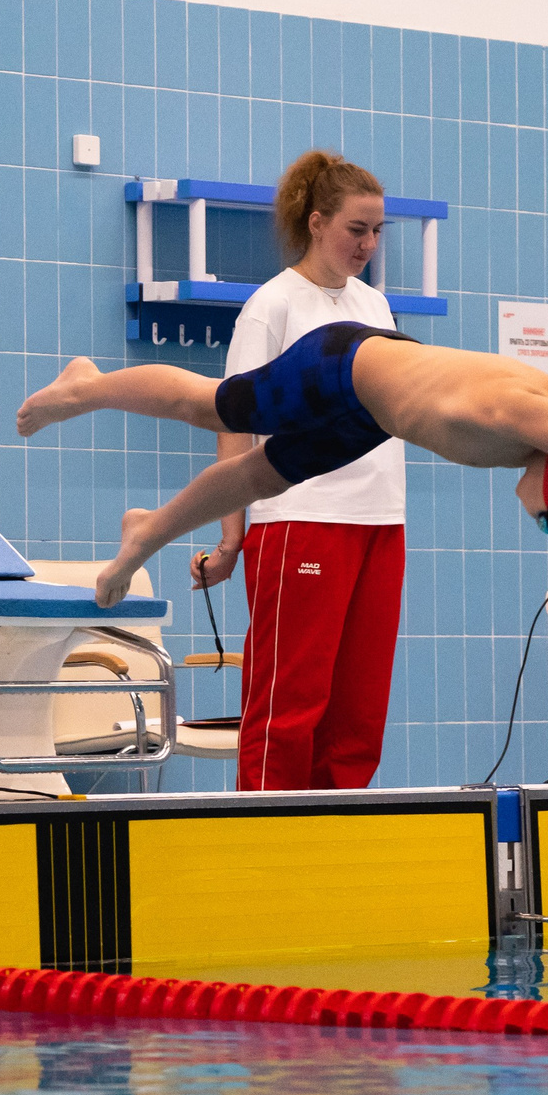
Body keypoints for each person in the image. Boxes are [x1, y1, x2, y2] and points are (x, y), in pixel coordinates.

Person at [16, 326, 548, 608]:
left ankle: (145, 533)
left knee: (261, 478)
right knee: (216, 408)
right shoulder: (525, 419)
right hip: (342, 366)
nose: (534, 520)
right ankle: (87, 385)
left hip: (373, 410)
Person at [197, 152, 404, 792]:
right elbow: (232, 422)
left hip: (381, 522)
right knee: (289, 706)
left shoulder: (376, 308)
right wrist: (231, 536)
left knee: (358, 714)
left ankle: (337, 835)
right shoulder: (273, 306)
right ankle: (262, 836)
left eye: (377, 232)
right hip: (300, 520)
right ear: (316, 223)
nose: (368, 245)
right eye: (356, 230)